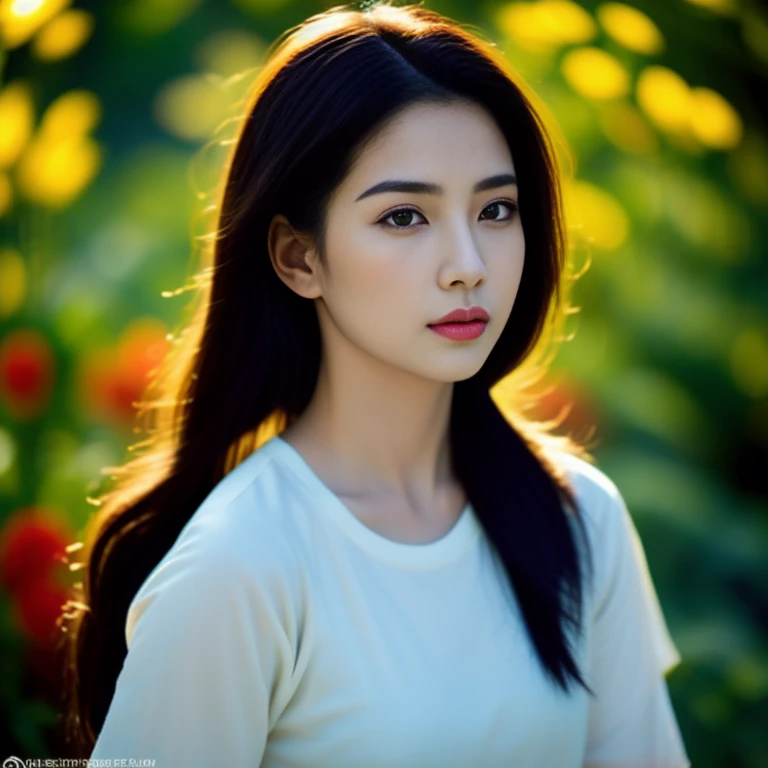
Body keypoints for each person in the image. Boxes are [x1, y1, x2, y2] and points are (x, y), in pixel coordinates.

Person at [58, 2, 690, 766]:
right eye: (404, 218)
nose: (469, 263)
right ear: (299, 258)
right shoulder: (241, 569)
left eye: (496, 209)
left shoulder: (579, 521)